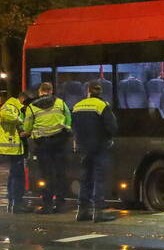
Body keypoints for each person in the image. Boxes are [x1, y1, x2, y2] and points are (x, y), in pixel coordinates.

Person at [71, 80, 118, 222]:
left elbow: (73, 126)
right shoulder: (102, 105)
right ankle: (98, 211)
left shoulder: (77, 106)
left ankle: (82, 211)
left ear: (88, 91)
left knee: (85, 178)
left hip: (83, 148)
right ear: (100, 92)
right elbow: (112, 127)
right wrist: (108, 138)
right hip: (99, 147)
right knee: (99, 178)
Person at [23, 82, 72, 213]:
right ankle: (60, 204)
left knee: (46, 175)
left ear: (40, 92)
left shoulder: (32, 107)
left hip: (43, 144)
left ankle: (47, 205)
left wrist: (28, 132)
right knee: (60, 173)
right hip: (59, 142)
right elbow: (68, 118)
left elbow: (27, 126)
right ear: (51, 91)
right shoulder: (60, 103)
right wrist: (65, 130)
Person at [0, 90, 31, 213]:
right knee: (18, 176)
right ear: (22, 99)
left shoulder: (15, 107)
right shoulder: (11, 105)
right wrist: (21, 122)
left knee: (14, 175)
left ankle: (13, 203)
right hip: (11, 147)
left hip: (15, 148)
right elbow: (5, 115)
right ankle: (17, 205)